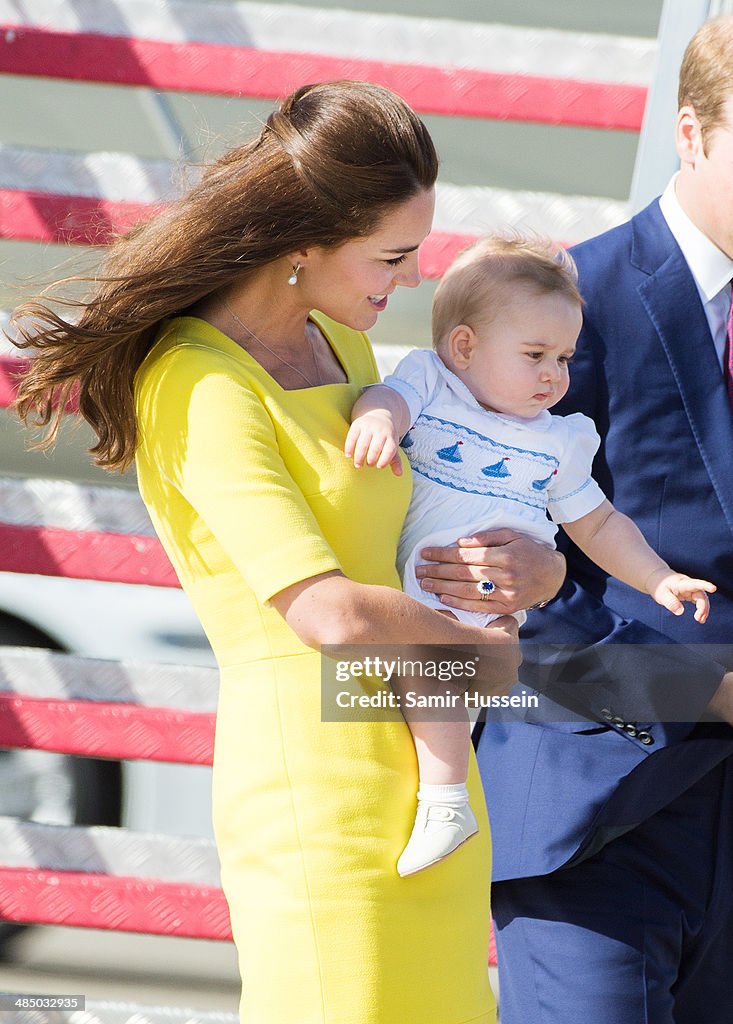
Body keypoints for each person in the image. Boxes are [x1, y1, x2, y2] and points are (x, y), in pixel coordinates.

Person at [10, 80, 555, 1024]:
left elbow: (418, 538)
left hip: (428, 768)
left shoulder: (344, 351)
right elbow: (329, 612)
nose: (416, 278)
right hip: (315, 780)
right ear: (302, 245)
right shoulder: (195, 379)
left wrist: (534, 569)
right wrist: (485, 657)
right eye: (393, 254)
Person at [464, 18, 733, 1024]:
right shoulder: (560, 310)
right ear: (692, 133)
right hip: (595, 826)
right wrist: (705, 689)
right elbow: (488, 592)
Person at [346, 234, 715, 879]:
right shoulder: (430, 385)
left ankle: (444, 801)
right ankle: (437, 798)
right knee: (408, 682)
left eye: (565, 358)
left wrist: (659, 578)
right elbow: (388, 401)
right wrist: (377, 419)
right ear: (464, 347)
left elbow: (598, 523)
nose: (555, 375)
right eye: (535, 355)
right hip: (409, 581)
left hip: (485, 599)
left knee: (450, 674)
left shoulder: (558, 440)